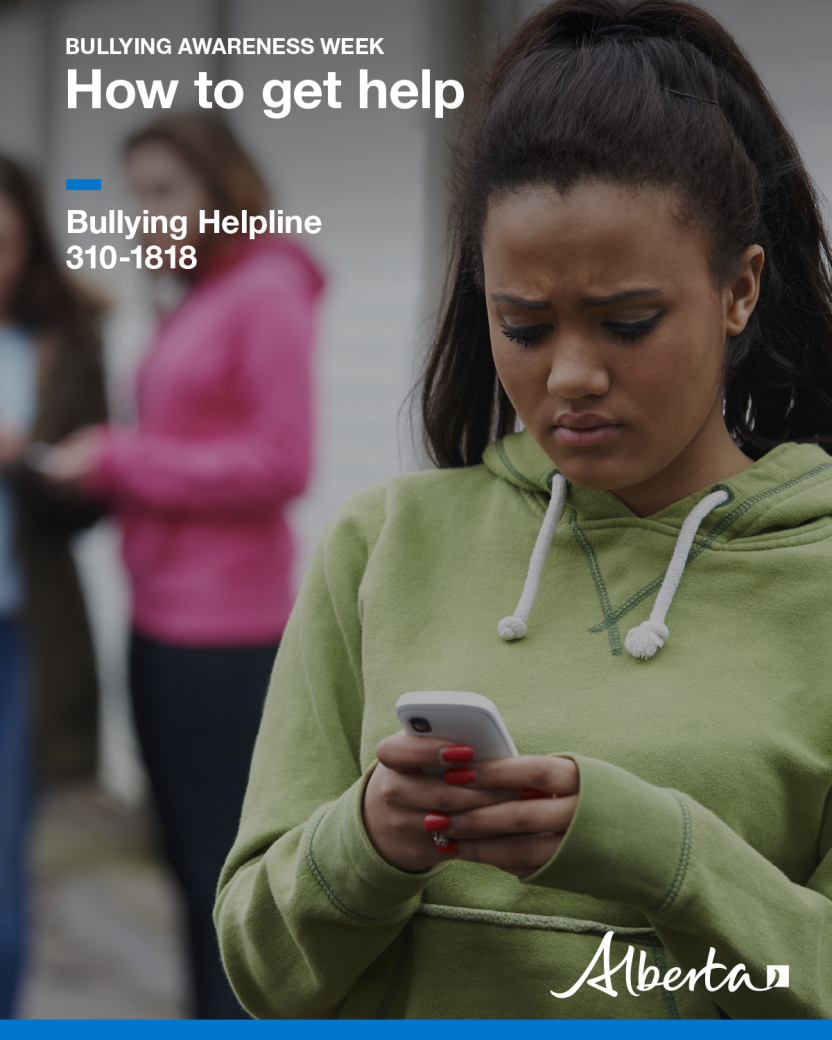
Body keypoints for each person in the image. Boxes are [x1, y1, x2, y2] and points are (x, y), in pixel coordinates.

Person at [213, 0, 832, 1020]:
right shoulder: (381, 546)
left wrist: (666, 856)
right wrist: (366, 839)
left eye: (627, 321)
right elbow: (263, 968)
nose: (571, 374)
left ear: (739, 289)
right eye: (524, 324)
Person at [46, 115, 323, 1019]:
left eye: (165, 191)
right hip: (159, 618)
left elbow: (283, 461)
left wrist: (126, 461)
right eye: (136, 197)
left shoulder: (267, 290)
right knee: (184, 866)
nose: (144, 215)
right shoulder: (196, 296)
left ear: (221, 189)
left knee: (223, 880)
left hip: (226, 637)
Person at [0, 154, 106, 1017]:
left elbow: (90, 505)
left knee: (4, 878)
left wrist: (27, 461)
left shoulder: (64, 347)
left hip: (17, 637)